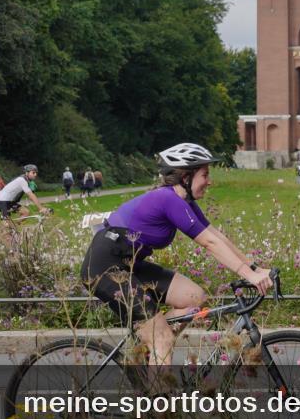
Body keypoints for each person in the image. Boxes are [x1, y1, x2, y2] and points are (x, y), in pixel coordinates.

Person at [80, 143, 273, 366]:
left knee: (194, 298)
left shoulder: (183, 200)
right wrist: (250, 276)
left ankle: (148, 350)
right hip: (105, 266)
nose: (209, 181)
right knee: (162, 340)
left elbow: (216, 236)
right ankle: (158, 361)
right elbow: (209, 243)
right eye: (205, 175)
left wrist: (255, 268)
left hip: (128, 263)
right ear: (186, 177)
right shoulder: (167, 199)